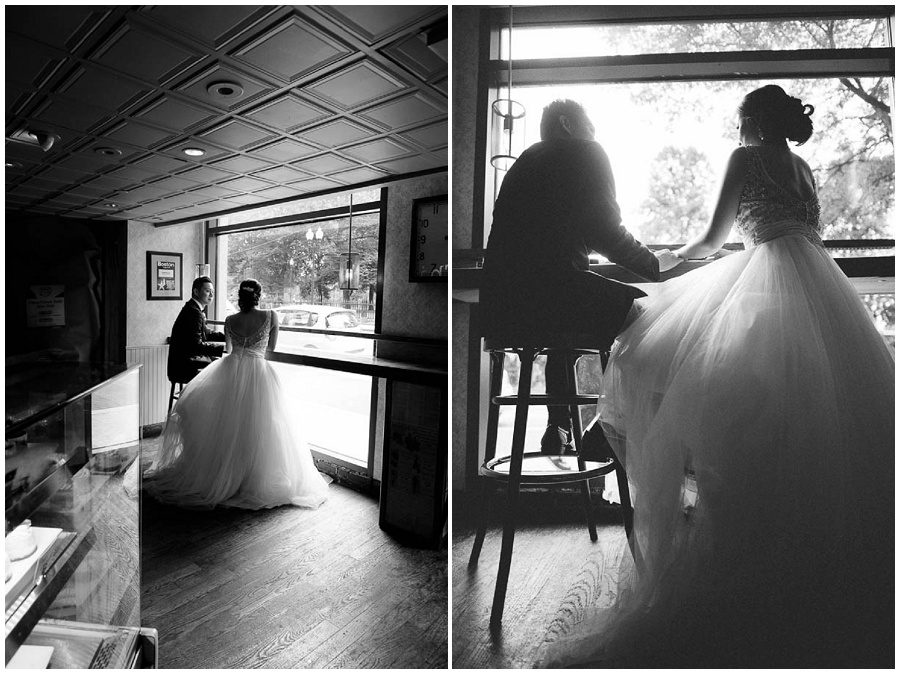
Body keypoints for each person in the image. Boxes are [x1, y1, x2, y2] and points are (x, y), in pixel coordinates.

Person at [549, 85, 894, 667]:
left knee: (662, 364)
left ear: (752, 122)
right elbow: (807, 236)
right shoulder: (806, 171)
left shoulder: (745, 158)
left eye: (739, 124)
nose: (737, 135)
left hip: (764, 288)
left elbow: (713, 239)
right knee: (810, 427)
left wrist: (667, 266)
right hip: (817, 295)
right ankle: (815, 567)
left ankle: (733, 541)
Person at [481, 99, 665, 455]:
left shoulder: (527, 160)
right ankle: (610, 427)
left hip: (502, 303)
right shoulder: (585, 151)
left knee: (565, 331)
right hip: (552, 292)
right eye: (590, 125)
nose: (594, 133)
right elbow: (606, 232)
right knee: (651, 319)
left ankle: (558, 425)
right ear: (566, 123)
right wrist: (654, 265)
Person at [146, 279, 330, 510]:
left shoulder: (230, 320)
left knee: (227, 423)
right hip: (258, 370)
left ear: (240, 296)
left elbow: (230, 350)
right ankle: (251, 475)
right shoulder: (271, 315)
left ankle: (224, 471)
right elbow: (271, 348)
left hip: (231, 369)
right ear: (258, 296)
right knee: (261, 423)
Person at [166, 276, 226, 386]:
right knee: (222, 366)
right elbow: (195, 346)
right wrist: (223, 349)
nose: (211, 295)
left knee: (217, 362)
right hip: (183, 367)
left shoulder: (192, 308)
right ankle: (205, 401)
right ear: (196, 291)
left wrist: (227, 337)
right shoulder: (194, 312)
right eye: (208, 291)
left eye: (212, 292)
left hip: (179, 364)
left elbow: (206, 333)